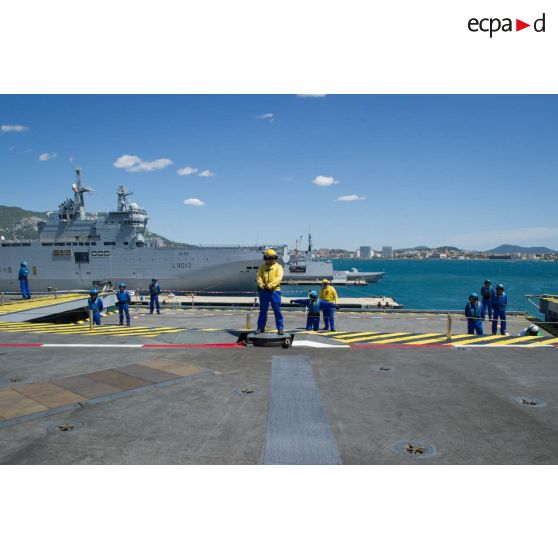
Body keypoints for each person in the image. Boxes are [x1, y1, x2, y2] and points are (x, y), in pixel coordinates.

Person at [256, 248, 284, 334]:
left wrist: (270, 285)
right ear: (265, 258)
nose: (270, 260)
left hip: (275, 291)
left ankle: (280, 328)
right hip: (264, 291)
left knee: (277, 310)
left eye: (272, 258)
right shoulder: (262, 267)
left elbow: (279, 278)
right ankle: (260, 328)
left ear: (275, 258)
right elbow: (258, 277)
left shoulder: (278, 267)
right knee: (263, 310)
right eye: (268, 258)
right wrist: (262, 285)